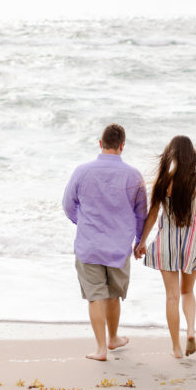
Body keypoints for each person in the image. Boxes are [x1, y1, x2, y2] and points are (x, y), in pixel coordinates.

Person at [63, 123, 147, 361]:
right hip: (119, 247)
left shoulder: (82, 171)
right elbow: (142, 213)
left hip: (89, 244)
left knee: (95, 295)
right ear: (122, 146)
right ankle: (113, 338)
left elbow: (68, 205)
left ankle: (101, 348)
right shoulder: (133, 175)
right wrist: (140, 241)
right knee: (113, 294)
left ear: (100, 144)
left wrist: (86, 223)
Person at [134, 135, 196, 359]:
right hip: (192, 242)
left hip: (166, 244)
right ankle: (192, 331)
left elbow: (152, 215)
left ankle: (176, 348)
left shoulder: (164, 180)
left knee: (172, 296)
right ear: (192, 155)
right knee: (188, 291)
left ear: (172, 155)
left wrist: (141, 242)